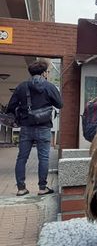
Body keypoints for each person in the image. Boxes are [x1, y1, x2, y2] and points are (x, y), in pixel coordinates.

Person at [6, 60, 63, 196]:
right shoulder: (49, 86)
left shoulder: (21, 87)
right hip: (44, 127)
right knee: (43, 158)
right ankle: (42, 188)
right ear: (44, 73)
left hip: (26, 127)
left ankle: (21, 188)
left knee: (22, 158)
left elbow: (10, 108)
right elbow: (60, 104)